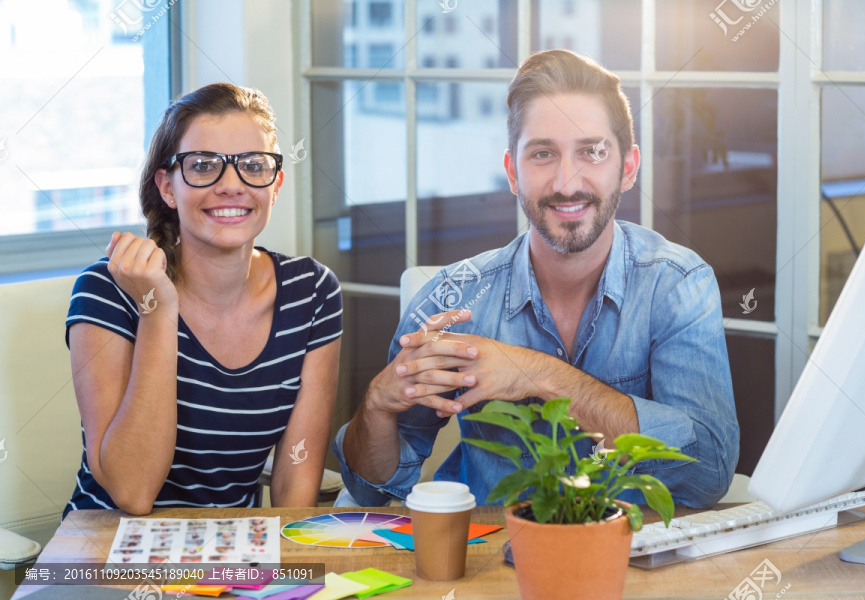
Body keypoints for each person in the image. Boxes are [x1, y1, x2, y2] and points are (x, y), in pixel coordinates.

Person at [334, 49, 739, 509]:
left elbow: (709, 474)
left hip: (630, 565)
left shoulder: (678, 285)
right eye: (543, 154)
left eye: (592, 151)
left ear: (627, 168)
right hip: (487, 567)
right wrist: (376, 409)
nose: (567, 182)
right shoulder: (454, 298)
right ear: (513, 172)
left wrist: (537, 374)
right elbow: (371, 489)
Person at [63, 83, 341, 517]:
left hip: (231, 562)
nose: (231, 186)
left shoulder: (312, 292)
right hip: (109, 555)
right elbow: (133, 492)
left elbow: (295, 484)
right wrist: (158, 309)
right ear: (168, 187)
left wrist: (290, 580)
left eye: (253, 165)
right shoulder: (108, 289)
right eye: (203, 165)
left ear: (276, 185)